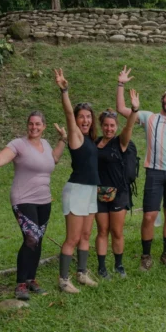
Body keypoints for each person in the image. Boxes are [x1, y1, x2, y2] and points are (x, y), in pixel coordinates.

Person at [0, 114, 66, 300]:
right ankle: (21, 284)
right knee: (31, 238)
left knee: (38, 239)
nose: (34, 127)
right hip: (23, 199)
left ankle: (31, 279)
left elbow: (53, 159)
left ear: (44, 126)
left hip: (44, 199)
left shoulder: (45, 144)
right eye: (30, 123)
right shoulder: (18, 144)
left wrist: (63, 140)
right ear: (27, 125)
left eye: (38, 124)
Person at [116, 67, 166, 271]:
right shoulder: (148, 117)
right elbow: (121, 108)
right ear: (162, 99)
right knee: (149, 215)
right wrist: (121, 84)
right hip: (154, 172)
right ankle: (146, 256)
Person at [55, 68, 100, 294]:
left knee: (85, 235)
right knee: (72, 237)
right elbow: (68, 115)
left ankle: (81, 273)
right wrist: (65, 90)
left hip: (91, 191)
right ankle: (63, 280)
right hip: (76, 191)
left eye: (88, 116)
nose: (85, 119)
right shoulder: (77, 135)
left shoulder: (91, 140)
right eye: (81, 116)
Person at [95, 88, 140, 279]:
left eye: (112, 126)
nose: (109, 129)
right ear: (101, 126)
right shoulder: (95, 143)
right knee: (102, 230)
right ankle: (102, 267)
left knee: (117, 231)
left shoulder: (121, 142)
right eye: (106, 125)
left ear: (116, 126)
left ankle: (119, 265)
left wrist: (134, 110)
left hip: (119, 192)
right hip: (99, 193)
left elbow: (128, 128)